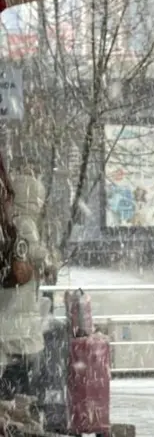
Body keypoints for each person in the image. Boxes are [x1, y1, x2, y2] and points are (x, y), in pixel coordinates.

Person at [0, 147, 55, 432]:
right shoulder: (25, 223)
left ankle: (13, 412)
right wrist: (48, 259)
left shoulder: (9, 225)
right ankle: (20, 414)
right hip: (20, 325)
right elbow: (35, 252)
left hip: (10, 320)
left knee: (11, 381)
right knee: (24, 378)